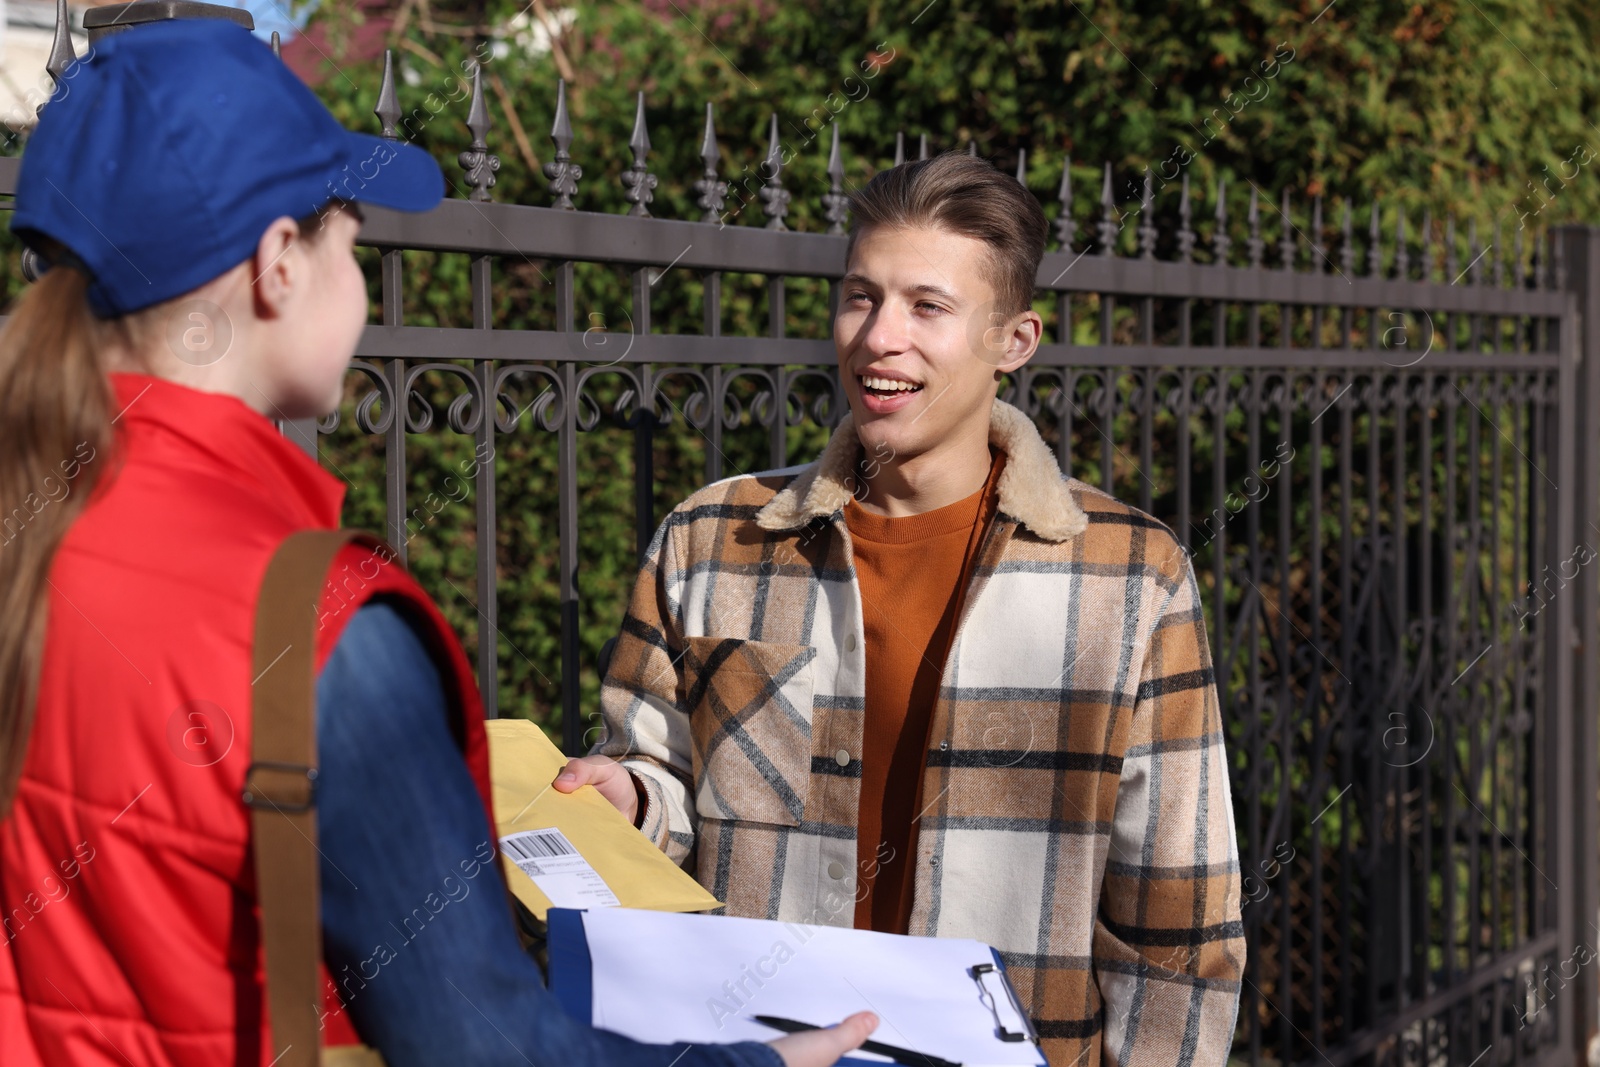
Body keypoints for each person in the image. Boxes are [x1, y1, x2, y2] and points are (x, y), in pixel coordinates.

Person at [0, 18, 875, 1067]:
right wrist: (763, 1062)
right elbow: (486, 1048)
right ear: (281, 263)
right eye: (354, 242)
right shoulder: (316, 628)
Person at [556, 152, 1246, 1065]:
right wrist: (629, 795)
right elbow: (657, 777)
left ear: (1014, 340)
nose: (881, 336)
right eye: (860, 297)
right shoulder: (711, 537)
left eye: (928, 306)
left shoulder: (1133, 577)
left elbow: (1180, 916)